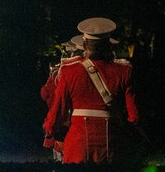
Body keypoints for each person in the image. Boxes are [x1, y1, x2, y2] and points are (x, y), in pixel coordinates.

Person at [43, 17, 139, 164]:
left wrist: (50, 130)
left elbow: (58, 110)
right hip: (113, 146)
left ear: (85, 44)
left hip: (78, 146)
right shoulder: (124, 71)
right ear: (109, 45)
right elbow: (134, 116)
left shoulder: (69, 71)